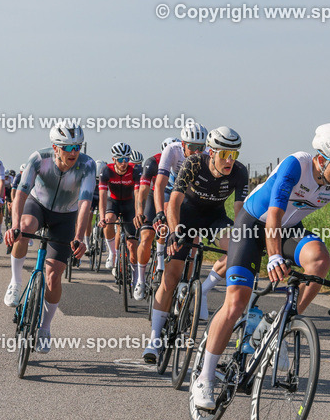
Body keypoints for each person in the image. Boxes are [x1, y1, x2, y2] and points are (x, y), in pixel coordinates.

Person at [190, 123, 330, 410]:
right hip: (253, 225)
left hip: (288, 229)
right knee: (236, 303)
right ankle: (204, 378)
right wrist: (273, 257)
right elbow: (274, 214)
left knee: (319, 260)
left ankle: (280, 324)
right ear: (322, 159)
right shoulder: (297, 165)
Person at [144, 126, 248, 363]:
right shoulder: (193, 163)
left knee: (236, 248)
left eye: (234, 154)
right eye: (225, 154)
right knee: (171, 277)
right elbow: (174, 201)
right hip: (186, 215)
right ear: (211, 152)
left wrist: (244, 238)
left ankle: (204, 289)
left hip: (215, 218)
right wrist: (174, 232)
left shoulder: (240, 171)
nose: (230, 160)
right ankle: (154, 339)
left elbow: (239, 212)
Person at [3, 120, 96, 353]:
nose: (74, 152)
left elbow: (85, 203)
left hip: (66, 215)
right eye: (68, 147)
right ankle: (15, 282)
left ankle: (44, 328)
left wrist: (79, 237)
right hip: (38, 206)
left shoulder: (87, 165)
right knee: (25, 228)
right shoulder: (38, 159)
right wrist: (15, 226)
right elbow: (21, 194)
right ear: (55, 147)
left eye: (78, 147)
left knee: (54, 276)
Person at [134, 137, 179, 299]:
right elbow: (143, 190)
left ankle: (161, 267)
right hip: (154, 196)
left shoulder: (184, 161)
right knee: (146, 237)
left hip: (173, 197)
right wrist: (140, 212)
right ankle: (140, 280)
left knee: (165, 228)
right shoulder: (152, 162)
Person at [98, 142, 141, 284]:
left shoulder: (135, 170)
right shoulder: (106, 171)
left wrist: (138, 214)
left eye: (126, 159)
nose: (124, 163)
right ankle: (112, 253)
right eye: (120, 159)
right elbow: (103, 196)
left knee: (132, 246)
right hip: (114, 202)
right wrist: (102, 217)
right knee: (109, 219)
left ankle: (136, 279)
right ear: (113, 159)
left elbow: (137, 194)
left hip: (129, 204)